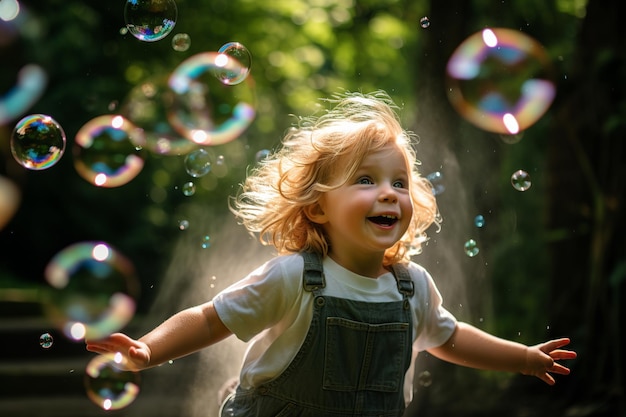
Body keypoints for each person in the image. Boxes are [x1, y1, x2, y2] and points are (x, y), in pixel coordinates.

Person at [86, 90, 577, 416]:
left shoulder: (412, 286)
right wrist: (148, 349)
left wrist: (524, 358)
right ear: (318, 207)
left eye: (399, 182)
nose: (388, 193)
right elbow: (210, 319)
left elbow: (450, 338)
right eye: (365, 180)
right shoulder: (294, 277)